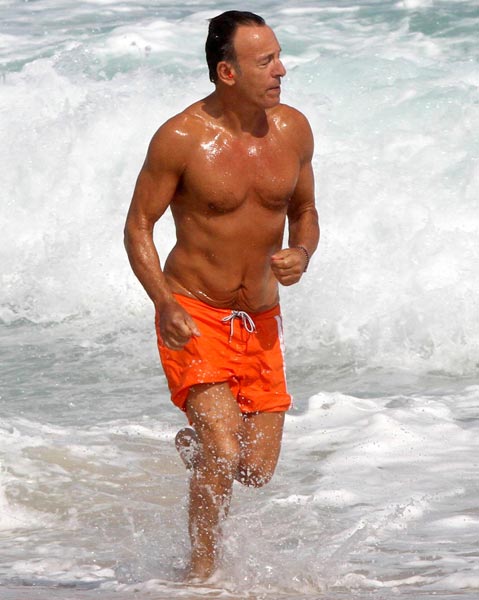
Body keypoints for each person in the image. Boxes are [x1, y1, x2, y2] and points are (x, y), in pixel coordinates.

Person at [124, 10, 319, 581]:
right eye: (266, 61)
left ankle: (198, 448)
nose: (281, 70)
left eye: (279, 57)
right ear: (227, 72)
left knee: (255, 470)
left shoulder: (294, 129)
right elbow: (138, 226)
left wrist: (303, 251)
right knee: (225, 450)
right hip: (194, 310)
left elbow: (306, 209)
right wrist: (163, 301)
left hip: (260, 318)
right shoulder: (181, 138)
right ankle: (201, 572)